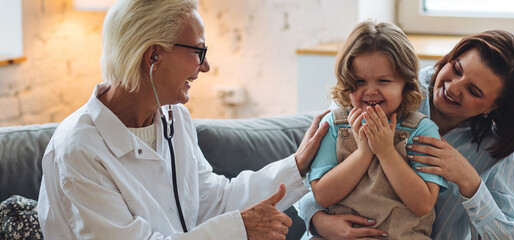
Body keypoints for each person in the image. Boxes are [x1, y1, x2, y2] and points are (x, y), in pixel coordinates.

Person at [37, 0, 329, 239]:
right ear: (153, 56)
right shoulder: (78, 151)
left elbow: (214, 201)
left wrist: (297, 164)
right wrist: (238, 230)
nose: (206, 66)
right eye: (198, 51)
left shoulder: (174, 117)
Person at [299, 29, 514, 240]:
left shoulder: (495, 151)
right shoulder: (384, 88)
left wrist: (470, 183)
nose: (453, 87)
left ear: (494, 106)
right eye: (456, 69)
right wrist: (318, 220)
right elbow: (303, 176)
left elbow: (513, 235)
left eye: (474, 91)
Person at [307, 21, 447, 240]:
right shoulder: (334, 124)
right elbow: (322, 195)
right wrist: (364, 152)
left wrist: (385, 151)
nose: (370, 91)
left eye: (384, 81)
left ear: (405, 84)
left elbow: (423, 204)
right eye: (359, 82)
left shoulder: (422, 129)